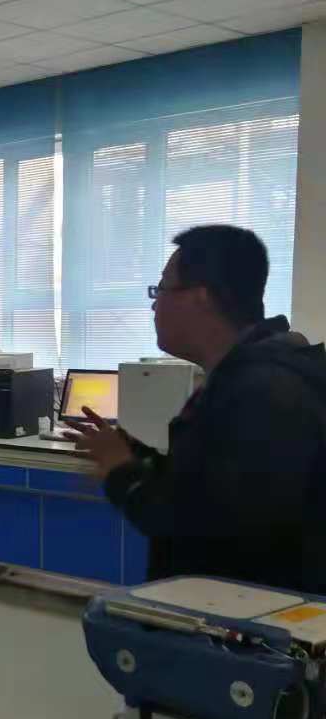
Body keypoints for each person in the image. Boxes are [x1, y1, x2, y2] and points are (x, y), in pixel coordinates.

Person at [73, 225, 326, 595]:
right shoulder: (241, 379)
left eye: (161, 289)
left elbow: (208, 528)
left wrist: (122, 473)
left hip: (243, 620)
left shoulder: (266, 392)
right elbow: (206, 482)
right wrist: (133, 453)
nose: (155, 304)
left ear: (200, 297)